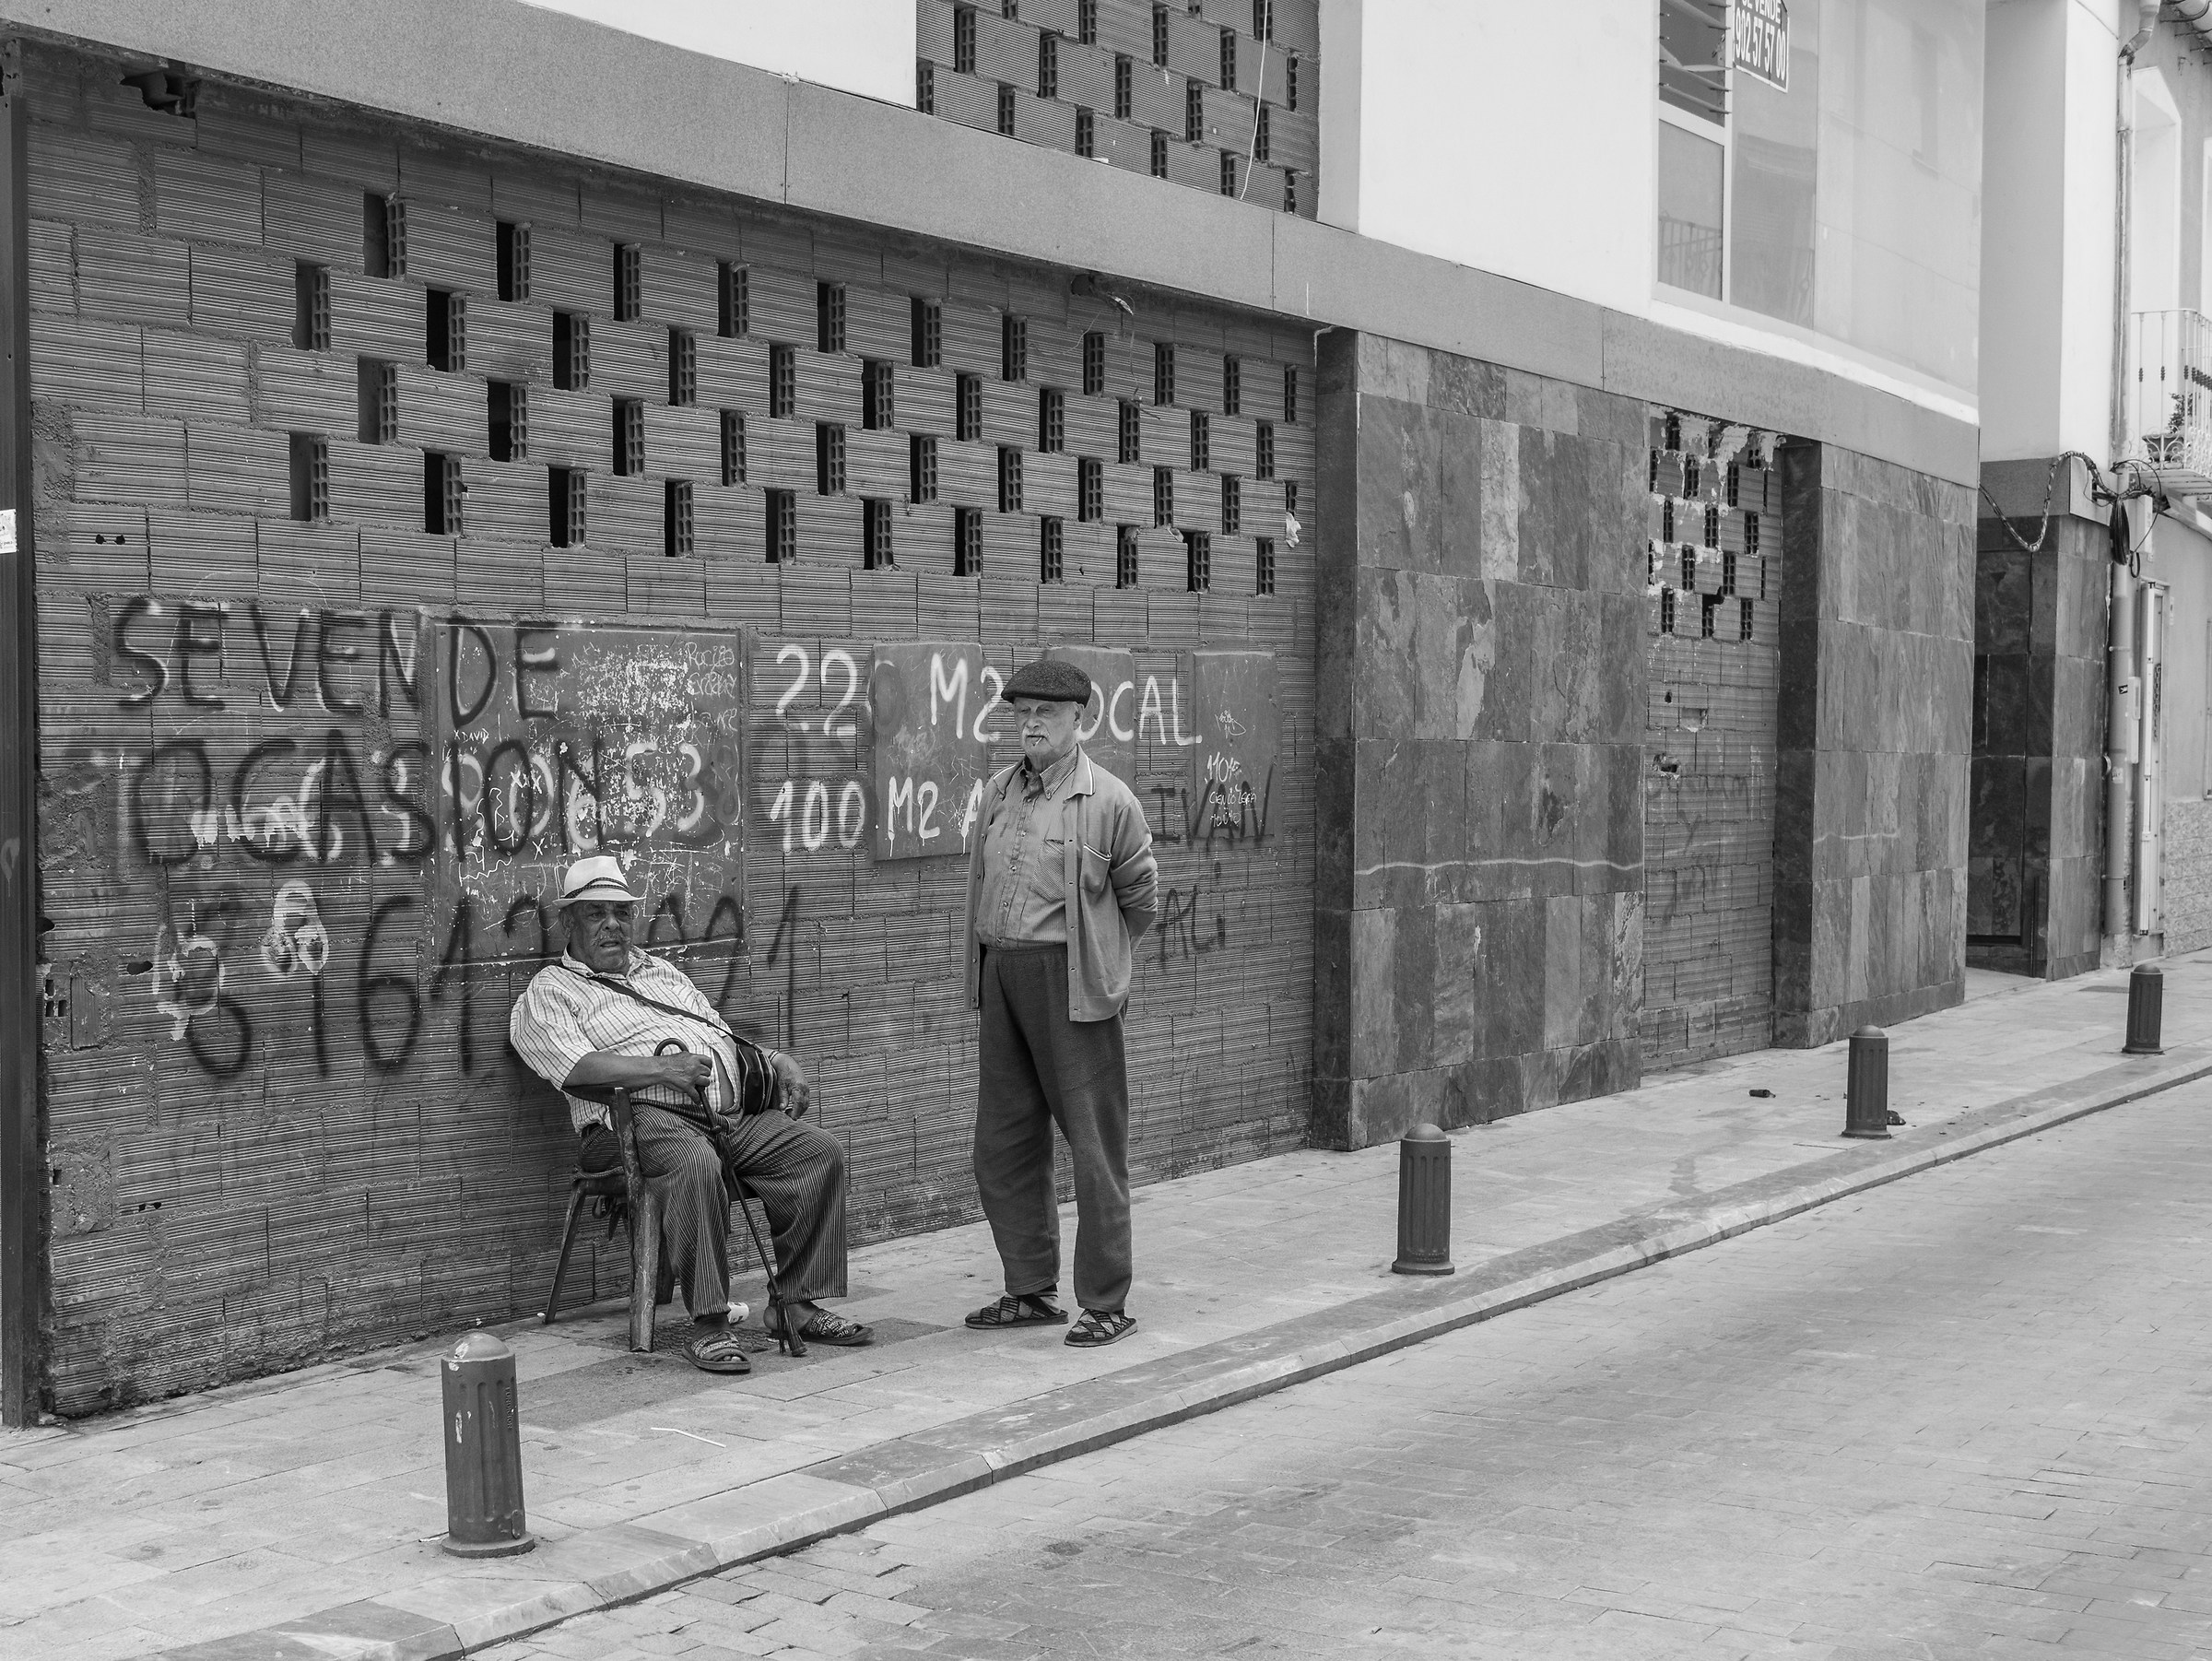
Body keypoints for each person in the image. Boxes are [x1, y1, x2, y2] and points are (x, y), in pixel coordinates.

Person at [510, 855, 873, 1374]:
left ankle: (795, 1301)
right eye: (597, 914)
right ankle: (709, 1323)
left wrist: (773, 1060)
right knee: (693, 1163)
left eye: (621, 913)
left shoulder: (659, 971)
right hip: (631, 1123)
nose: (613, 925)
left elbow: (718, 1033)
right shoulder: (550, 991)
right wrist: (661, 1070)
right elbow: (575, 1069)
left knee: (818, 1153)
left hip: (721, 1117)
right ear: (569, 921)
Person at [962, 658, 1159, 1348]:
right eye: (1022, 713)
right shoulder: (997, 792)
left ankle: (1106, 1301)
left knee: (1095, 1148)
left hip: (1071, 981)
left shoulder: (1109, 801)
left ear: (1081, 719)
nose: (1033, 724)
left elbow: (1140, 901)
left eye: (1047, 713)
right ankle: (1029, 1289)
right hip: (1002, 974)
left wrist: (1100, 961)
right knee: (1003, 1144)